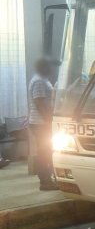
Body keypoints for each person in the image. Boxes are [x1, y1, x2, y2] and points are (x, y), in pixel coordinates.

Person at [28, 57, 57, 190]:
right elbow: (40, 103)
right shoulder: (39, 80)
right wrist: (48, 121)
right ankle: (45, 182)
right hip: (41, 123)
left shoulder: (42, 79)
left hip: (42, 122)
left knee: (46, 151)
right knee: (44, 152)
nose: (52, 69)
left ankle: (47, 179)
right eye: (50, 66)